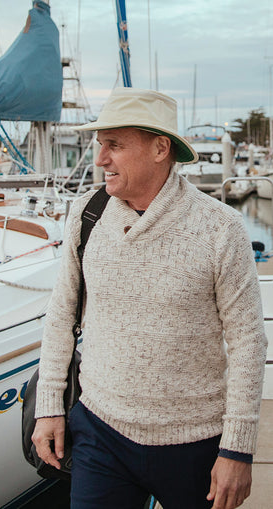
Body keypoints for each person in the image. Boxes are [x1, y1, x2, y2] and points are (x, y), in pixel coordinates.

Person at [32, 87, 268, 509]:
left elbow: (248, 342)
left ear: (160, 149)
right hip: (99, 433)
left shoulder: (220, 228)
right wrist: (49, 406)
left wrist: (237, 449)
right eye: (100, 145)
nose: (100, 159)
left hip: (195, 443)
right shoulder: (87, 214)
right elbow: (61, 313)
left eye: (115, 145)